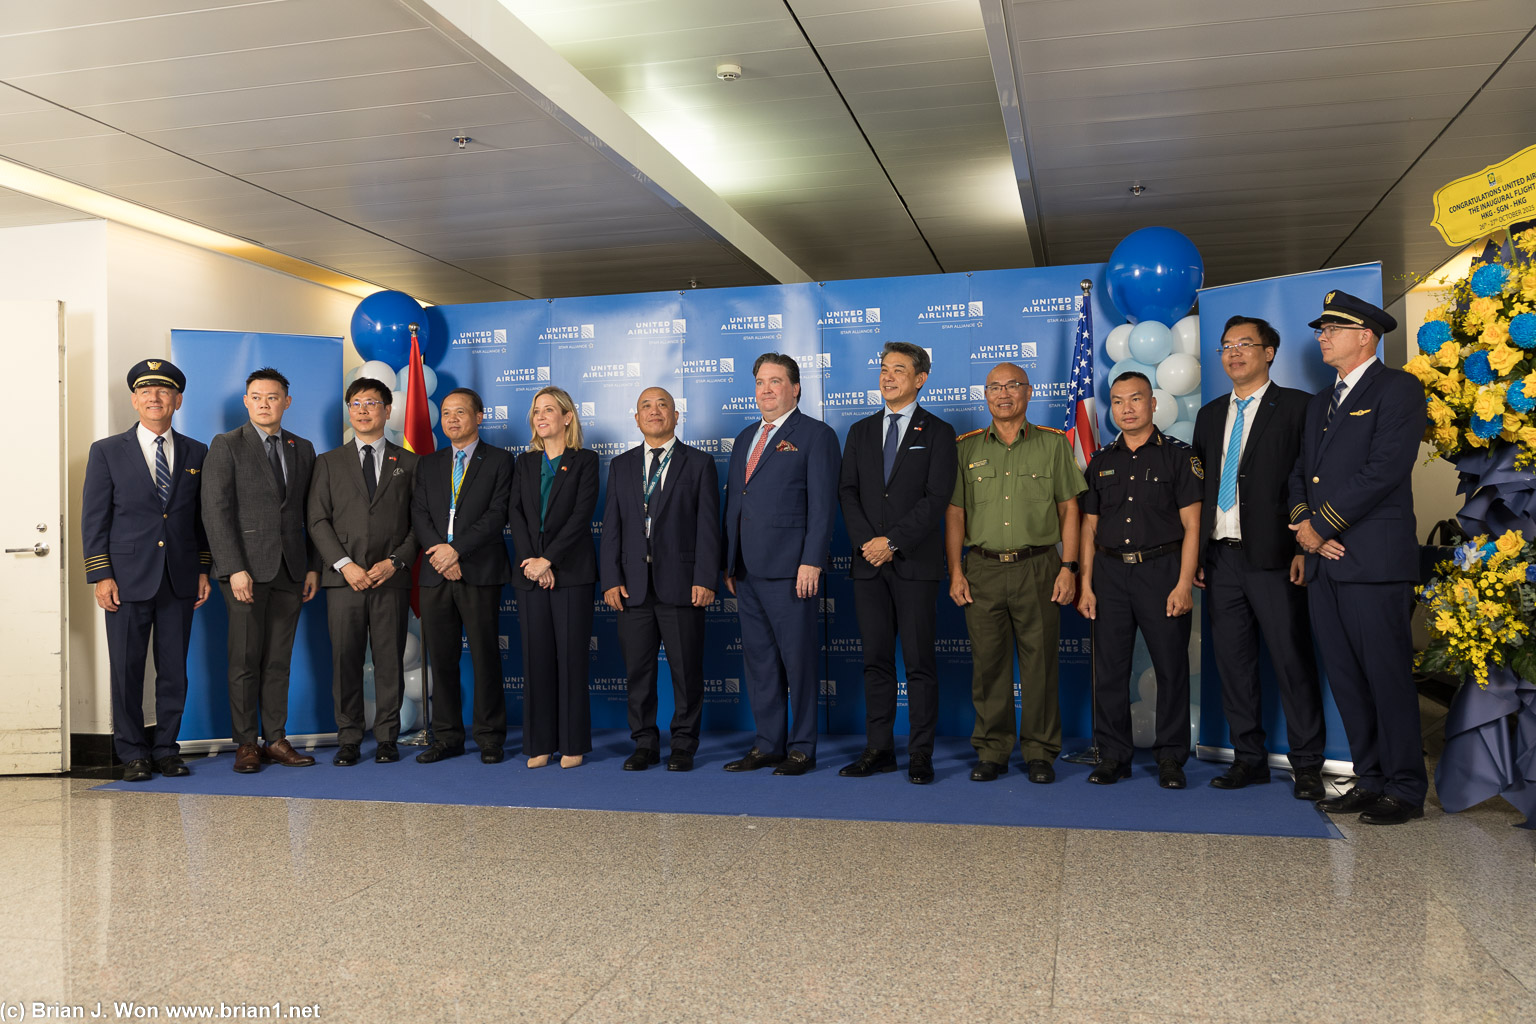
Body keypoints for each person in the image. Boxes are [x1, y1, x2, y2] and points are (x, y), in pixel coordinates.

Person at [1288, 291, 1428, 825]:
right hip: (1325, 560)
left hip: (1372, 561)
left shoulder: (1397, 389)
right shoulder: (1321, 401)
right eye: (1321, 329)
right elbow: (1301, 473)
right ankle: (1370, 780)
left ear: (1366, 335)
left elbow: (1385, 469)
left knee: (1385, 675)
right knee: (1346, 677)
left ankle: (1406, 787)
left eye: (1332, 329)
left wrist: (1321, 526)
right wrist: (1307, 528)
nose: (1322, 337)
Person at [1192, 317, 1326, 800]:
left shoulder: (1298, 407)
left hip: (1275, 558)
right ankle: (1248, 759)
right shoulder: (1209, 415)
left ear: (1269, 352)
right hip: (1222, 559)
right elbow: (1203, 488)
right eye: (1226, 346)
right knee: (1234, 664)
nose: (1234, 353)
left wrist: (1301, 547)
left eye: (1245, 344)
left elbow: (1310, 478)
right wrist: (1200, 555)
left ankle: (1308, 764)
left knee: (1292, 661)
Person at [946, 362, 1085, 784]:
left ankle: (1040, 752)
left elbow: (1069, 509)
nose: (1003, 394)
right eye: (994, 387)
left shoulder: (1053, 444)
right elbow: (955, 513)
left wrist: (1069, 566)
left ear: (1028, 393)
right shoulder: (965, 448)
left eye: (1012, 386)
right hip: (982, 569)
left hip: (1039, 567)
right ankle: (992, 750)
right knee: (988, 666)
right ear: (985, 395)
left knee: (1040, 664)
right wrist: (955, 570)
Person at [82, 359, 211, 782]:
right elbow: (94, 518)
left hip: (178, 577)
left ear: (177, 400)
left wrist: (203, 570)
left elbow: (200, 518)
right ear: (135, 400)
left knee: (174, 670)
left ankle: (167, 749)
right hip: (125, 579)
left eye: (163, 392)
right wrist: (102, 575)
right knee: (127, 670)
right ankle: (133, 753)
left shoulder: (197, 451)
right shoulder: (106, 451)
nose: (154, 398)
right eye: (146, 392)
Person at [1077, 372, 1203, 788]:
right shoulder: (1101, 461)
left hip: (1161, 571)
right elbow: (1089, 528)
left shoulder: (1179, 457)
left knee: (1170, 668)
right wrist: (1087, 585)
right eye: (1117, 401)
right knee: (1110, 670)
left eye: (1135, 399)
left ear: (1153, 403)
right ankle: (1113, 755)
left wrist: (1184, 584)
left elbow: (1192, 526)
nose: (1126, 408)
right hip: (1110, 575)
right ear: (1111, 408)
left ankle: (1171, 758)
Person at [840, 343, 957, 784]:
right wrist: (868, 545)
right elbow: (847, 492)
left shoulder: (939, 432)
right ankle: (879, 749)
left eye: (899, 370)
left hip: (913, 564)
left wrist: (891, 541)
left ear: (920, 378)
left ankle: (920, 754)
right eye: (884, 369)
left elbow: (936, 499)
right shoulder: (860, 431)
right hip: (869, 566)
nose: (888, 377)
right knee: (875, 661)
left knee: (919, 663)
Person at [721, 353, 840, 776]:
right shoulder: (743, 437)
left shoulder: (816, 435)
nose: (765, 389)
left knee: (798, 661)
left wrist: (812, 561)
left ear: (796, 388)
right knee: (760, 663)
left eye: (775, 381)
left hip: (792, 570)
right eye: (759, 382)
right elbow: (736, 501)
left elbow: (823, 507)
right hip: (747, 571)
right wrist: (729, 562)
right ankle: (768, 743)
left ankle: (802, 747)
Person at [202, 367, 321, 774]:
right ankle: (245, 743)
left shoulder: (302, 448)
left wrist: (311, 566)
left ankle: (276, 739)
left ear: (286, 402)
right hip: (245, 573)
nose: (264, 404)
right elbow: (215, 512)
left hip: (291, 569)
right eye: (257, 397)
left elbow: (311, 514)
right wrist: (234, 568)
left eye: (273, 397)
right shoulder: (226, 445)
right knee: (245, 660)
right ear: (246, 402)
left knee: (278, 661)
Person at [600, 386, 720, 772]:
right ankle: (645, 744)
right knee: (639, 672)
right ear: (636, 418)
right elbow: (611, 529)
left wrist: (705, 578)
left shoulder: (699, 463)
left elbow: (708, 528)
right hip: (633, 588)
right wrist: (610, 579)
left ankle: (683, 745)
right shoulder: (620, 465)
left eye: (662, 405)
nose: (654, 411)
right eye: (646, 407)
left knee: (687, 671)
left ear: (676, 415)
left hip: (683, 586)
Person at [307, 378, 420, 767]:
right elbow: (317, 520)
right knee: (346, 660)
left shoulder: (409, 462)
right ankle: (349, 738)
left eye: (371, 403)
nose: (362, 410)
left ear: (388, 411)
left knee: (389, 659)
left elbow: (418, 523)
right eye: (355, 404)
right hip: (344, 581)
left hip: (391, 577)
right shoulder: (328, 462)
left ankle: (388, 737)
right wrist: (345, 565)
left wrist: (395, 562)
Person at [411, 387, 514, 764]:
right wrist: (441, 554)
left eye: (461, 413)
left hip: (479, 571)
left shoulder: (501, 461)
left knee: (486, 657)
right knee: (442, 659)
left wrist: (458, 550)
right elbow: (419, 515)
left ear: (479, 417)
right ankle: (447, 737)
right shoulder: (429, 463)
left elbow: (497, 514)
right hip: (436, 573)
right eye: (447, 413)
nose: (452, 419)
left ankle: (489, 737)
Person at [509, 385, 599, 770]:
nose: (540, 416)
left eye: (549, 409)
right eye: (535, 411)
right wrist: (533, 561)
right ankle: (540, 743)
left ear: (567, 417)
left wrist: (549, 560)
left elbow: (581, 518)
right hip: (531, 574)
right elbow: (516, 515)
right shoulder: (524, 464)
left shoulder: (585, 461)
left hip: (571, 573)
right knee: (536, 661)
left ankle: (572, 743)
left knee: (571, 660)